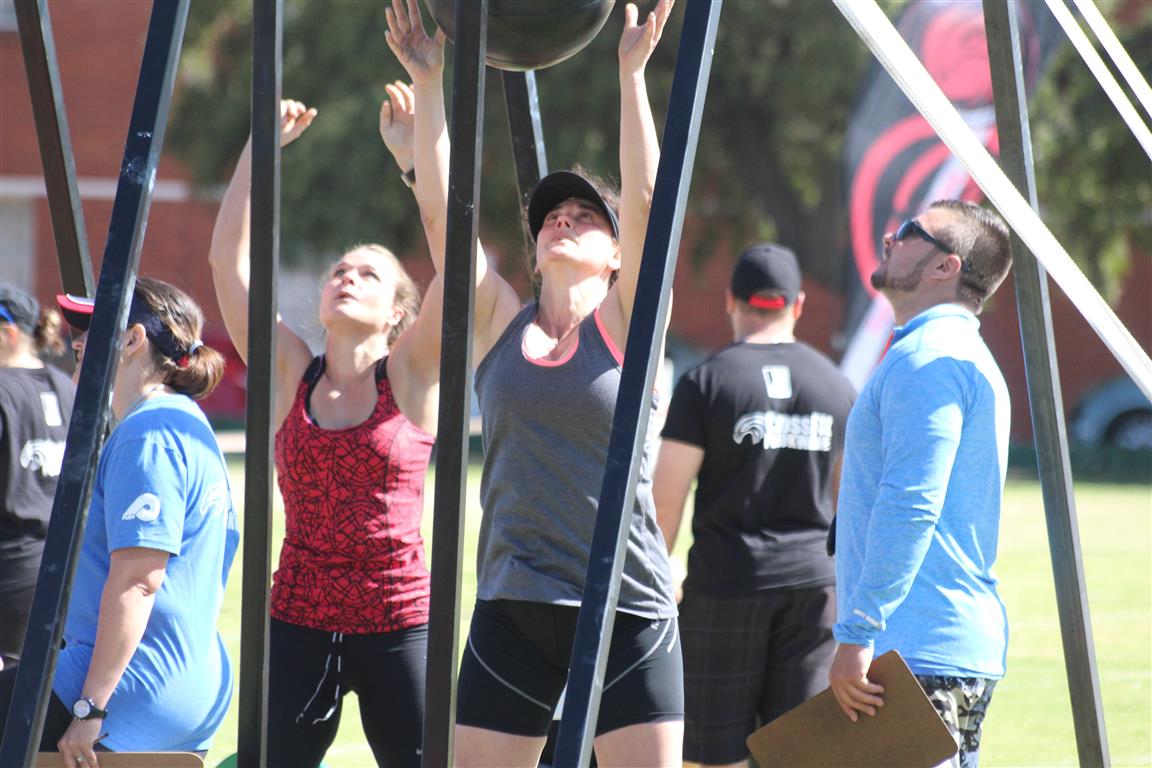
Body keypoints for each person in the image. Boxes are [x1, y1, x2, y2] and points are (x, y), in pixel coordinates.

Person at [386, 1, 680, 765]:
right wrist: (429, 85)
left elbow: (648, 204)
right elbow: (444, 219)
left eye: (586, 216)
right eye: (552, 215)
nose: (563, 220)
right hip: (514, 604)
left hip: (625, 606)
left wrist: (631, 76)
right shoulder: (500, 324)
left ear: (617, 255)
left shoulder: (630, 322)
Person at [207, 87, 445, 767]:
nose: (347, 277)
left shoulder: (411, 372)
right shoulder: (291, 371)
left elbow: (461, 268)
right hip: (298, 620)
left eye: (368, 273)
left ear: (397, 312)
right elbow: (227, 263)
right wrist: (260, 151)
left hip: (398, 621)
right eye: (339, 270)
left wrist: (415, 165)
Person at [0, 278, 239, 765]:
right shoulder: (185, 419)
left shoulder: (148, 433)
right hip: (187, 682)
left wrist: (91, 707)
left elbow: (138, 583)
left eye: (92, 328)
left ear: (132, 340)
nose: (78, 340)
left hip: (131, 687)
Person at [652, 243, 857, 767]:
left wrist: (655, 580)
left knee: (711, 756)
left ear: (731, 300)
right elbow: (850, 507)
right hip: (814, 591)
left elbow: (665, 502)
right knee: (797, 755)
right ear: (798, 304)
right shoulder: (837, 387)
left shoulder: (705, 382)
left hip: (726, 584)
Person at [828, 200, 1013, 768]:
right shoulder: (949, 353)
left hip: (914, 651)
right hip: (933, 646)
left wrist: (859, 631)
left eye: (910, 232)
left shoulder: (929, 359)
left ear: (945, 266)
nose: (890, 237)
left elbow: (910, 504)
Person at [0, 284, 75, 671]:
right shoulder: (67, 387)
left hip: (10, 571)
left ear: (8, 333)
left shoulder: (4, 389)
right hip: (64, 567)